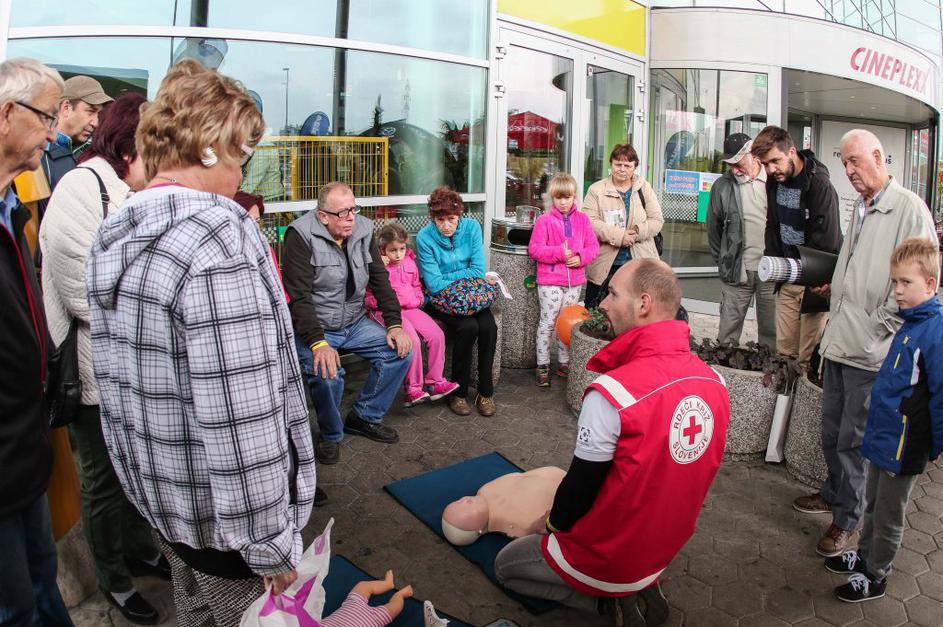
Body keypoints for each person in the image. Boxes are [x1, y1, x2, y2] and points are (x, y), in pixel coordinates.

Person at [85, 59, 316, 623]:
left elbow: (118, 386)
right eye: (242, 155)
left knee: (194, 615)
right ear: (212, 148)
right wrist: (269, 542)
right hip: (228, 528)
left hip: (165, 503)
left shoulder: (115, 231)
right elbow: (241, 413)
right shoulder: (215, 241)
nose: (241, 175)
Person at [494, 259, 730, 626]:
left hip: (609, 552)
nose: (602, 303)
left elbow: (582, 487)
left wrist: (550, 524)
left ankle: (604, 602)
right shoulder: (714, 381)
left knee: (506, 566)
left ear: (643, 304)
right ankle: (642, 585)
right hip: (665, 547)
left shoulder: (613, 392)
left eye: (613, 294)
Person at [40, 93, 166, 624]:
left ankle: (140, 550)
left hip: (128, 367)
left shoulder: (127, 190)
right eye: (157, 147)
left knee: (134, 469)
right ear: (130, 145)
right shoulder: (79, 188)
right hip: (93, 374)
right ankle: (114, 580)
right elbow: (84, 296)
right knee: (103, 481)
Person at [792, 129, 938, 558]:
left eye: (855, 161)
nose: (849, 170)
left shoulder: (907, 208)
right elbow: (857, 266)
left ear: (878, 156)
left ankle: (848, 519)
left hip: (870, 351)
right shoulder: (862, 205)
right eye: (844, 163)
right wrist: (834, 288)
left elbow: (923, 279)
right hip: (841, 339)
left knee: (852, 441)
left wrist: (880, 326)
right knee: (831, 432)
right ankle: (834, 494)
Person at [823, 237, 942, 603]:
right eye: (894, 282)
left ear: (930, 284)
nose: (897, 291)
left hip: (903, 447)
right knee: (874, 507)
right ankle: (864, 556)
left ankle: (876, 575)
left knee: (889, 516)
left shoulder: (935, 332)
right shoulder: (910, 322)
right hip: (883, 438)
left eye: (906, 282)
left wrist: (934, 445)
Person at [0, 57, 74, 626]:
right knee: (15, 606)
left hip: (24, 452)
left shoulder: (13, 208)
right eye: (47, 117)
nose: (54, 134)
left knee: (43, 581)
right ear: (7, 113)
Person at [282, 181, 412, 466]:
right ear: (322, 216)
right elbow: (299, 296)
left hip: (354, 321)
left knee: (400, 351)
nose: (351, 217)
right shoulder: (299, 235)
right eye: (342, 212)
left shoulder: (363, 229)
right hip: (316, 325)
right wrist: (318, 343)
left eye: (354, 209)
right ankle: (330, 434)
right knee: (327, 373)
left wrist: (394, 324)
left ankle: (364, 417)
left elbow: (380, 280)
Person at [751, 125, 841, 369]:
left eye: (775, 161)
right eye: (765, 164)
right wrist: (772, 263)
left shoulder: (819, 184)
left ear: (791, 151)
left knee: (805, 358)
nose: (771, 170)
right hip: (787, 276)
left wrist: (822, 281)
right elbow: (772, 225)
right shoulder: (773, 181)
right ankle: (784, 394)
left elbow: (829, 238)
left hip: (813, 283)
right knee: (784, 354)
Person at [416, 186, 499, 417]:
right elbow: (434, 284)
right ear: (433, 218)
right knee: (468, 327)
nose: (446, 225)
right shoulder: (424, 238)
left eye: (451, 219)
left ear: (460, 214)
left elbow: (478, 270)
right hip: (440, 299)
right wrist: (465, 275)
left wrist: (451, 276)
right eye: (440, 220)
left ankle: (485, 391)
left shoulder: (472, 228)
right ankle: (458, 392)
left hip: (471, 295)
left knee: (488, 326)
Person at [365, 222, 458, 407]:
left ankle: (435, 383)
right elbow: (367, 296)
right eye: (393, 250)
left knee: (436, 335)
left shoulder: (409, 261)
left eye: (401, 249)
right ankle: (413, 389)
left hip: (410, 309)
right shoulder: (377, 265)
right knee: (412, 340)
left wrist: (418, 299)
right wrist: (377, 266)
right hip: (385, 312)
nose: (398, 254)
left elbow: (416, 285)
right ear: (382, 249)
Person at [528, 172, 599, 386]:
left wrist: (580, 258)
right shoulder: (544, 221)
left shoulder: (583, 220)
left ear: (574, 196)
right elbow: (535, 249)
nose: (563, 202)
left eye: (567, 197)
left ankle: (564, 362)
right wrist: (559, 253)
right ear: (553, 197)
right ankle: (542, 364)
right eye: (559, 197)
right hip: (550, 281)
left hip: (574, 282)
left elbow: (593, 247)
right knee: (548, 322)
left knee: (566, 323)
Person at [707, 133, 776, 349]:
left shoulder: (774, 180)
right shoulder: (722, 186)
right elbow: (713, 228)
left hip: (771, 269)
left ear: (754, 155)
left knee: (772, 332)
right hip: (738, 269)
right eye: (730, 165)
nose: (735, 170)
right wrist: (724, 259)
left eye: (739, 163)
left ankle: (767, 366)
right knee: (727, 332)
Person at [37, 76, 113, 260]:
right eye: (90, 111)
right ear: (66, 108)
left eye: (98, 115)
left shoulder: (82, 155)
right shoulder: (37, 154)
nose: (95, 122)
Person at [583, 143, 663, 307]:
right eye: (618, 164)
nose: (622, 169)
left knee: (635, 311)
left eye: (627, 166)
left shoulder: (644, 188)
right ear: (611, 164)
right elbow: (589, 222)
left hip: (638, 261)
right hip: (605, 264)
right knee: (596, 310)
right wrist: (619, 236)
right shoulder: (596, 190)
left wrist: (637, 232)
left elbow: (657, 220)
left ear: (634, 167)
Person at [441, 467, 566, 545]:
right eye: (466, 510)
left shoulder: (484, 491)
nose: (465, 500)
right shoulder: (516, 525)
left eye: (458, 501)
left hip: (557, 477)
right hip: (565, 491)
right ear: (479, 530)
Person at [321, 570, 414, 627]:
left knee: (362, 586)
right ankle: (400, 595)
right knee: (395, 606)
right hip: (373, 620)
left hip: (351, 607)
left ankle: (387, 584)